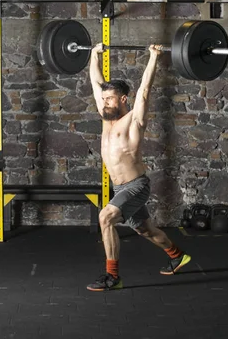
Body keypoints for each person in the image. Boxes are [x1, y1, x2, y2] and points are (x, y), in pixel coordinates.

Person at [86, 43, 191, 292]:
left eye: (109, 99)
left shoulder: (134, 120)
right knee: (145, 230)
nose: (104, 103)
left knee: (105, 217)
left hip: (136, 186)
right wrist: (93, 56)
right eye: (103, 99)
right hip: (120, 187)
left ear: (123, 99)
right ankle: (177, 255)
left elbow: (144, 90)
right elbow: (95, 83)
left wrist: (153, 57)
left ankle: (113, 277)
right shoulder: (106, 117)